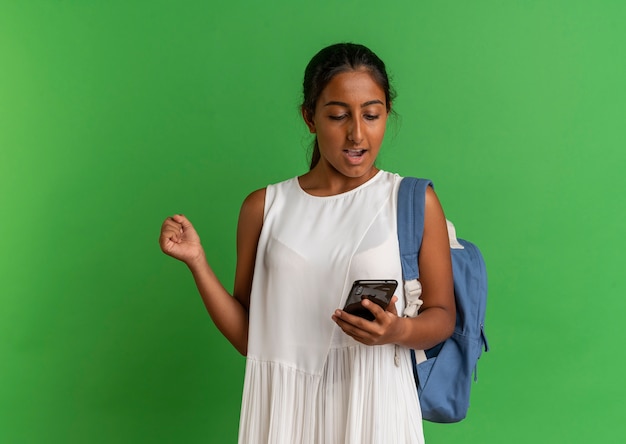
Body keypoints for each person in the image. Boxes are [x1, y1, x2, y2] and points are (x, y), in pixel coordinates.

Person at [159, 42, 455, 444]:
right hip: (283, 413)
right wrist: (197, 263)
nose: (357, 133)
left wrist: (396, 331)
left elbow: (442, 317)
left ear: (387, 113)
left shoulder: (412, 201)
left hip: (373, 407)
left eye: (372, 114)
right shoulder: (264, 207)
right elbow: (251, 338)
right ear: (309, 117)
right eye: (337, 115)